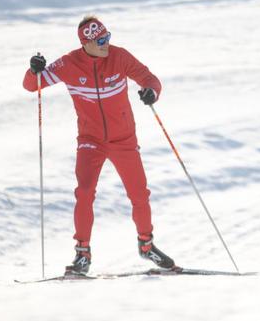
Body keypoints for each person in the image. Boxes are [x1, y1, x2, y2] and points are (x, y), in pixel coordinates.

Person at [23, 15, 176, 275]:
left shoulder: (120, 57)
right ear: (86, 43)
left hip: (123, 140)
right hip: (90, 141)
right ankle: (82, 254)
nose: (106, 44)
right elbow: (31, 85)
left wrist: (151, 92)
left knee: (139, 194)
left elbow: (150, 79)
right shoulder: (69, 63)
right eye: (100, 40)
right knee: (84, 192)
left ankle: (146, 246)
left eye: (107, 37)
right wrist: (34, 69)